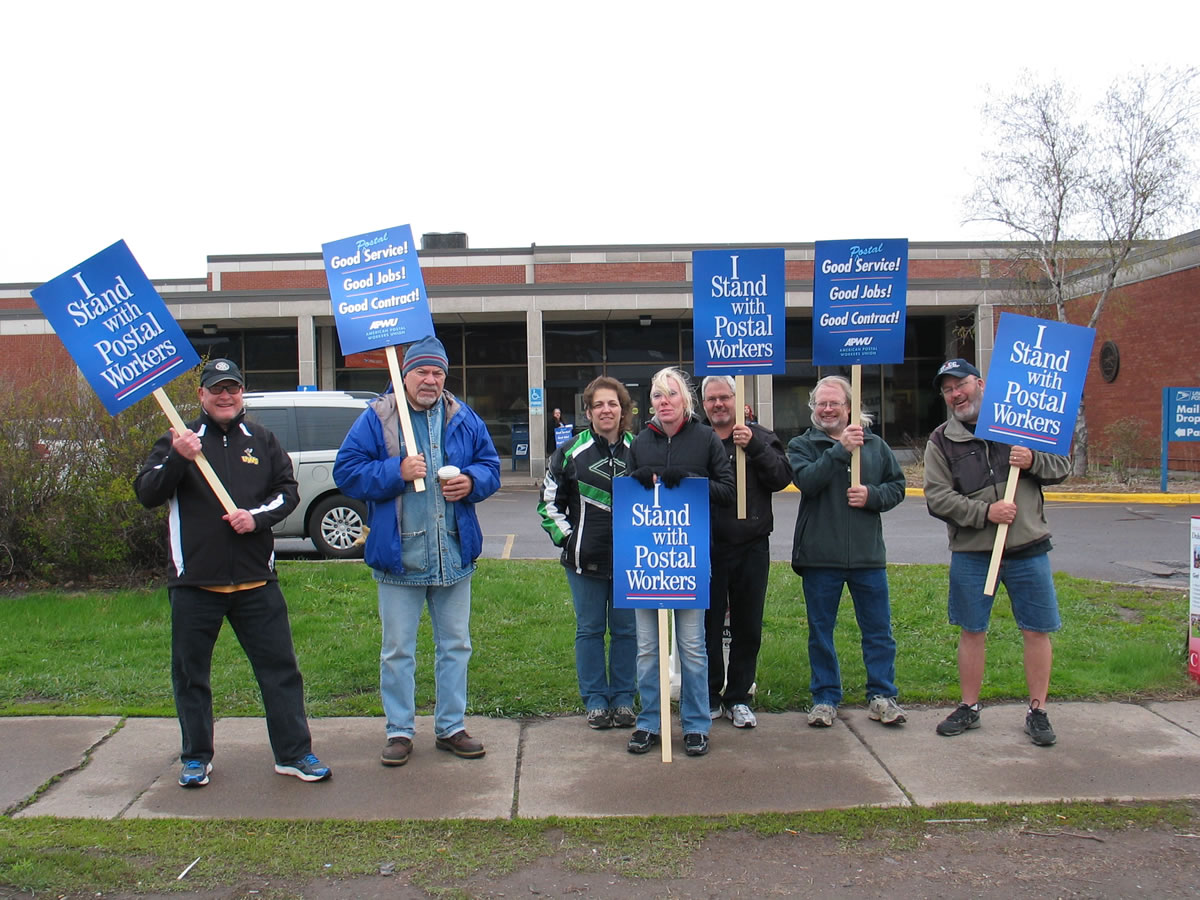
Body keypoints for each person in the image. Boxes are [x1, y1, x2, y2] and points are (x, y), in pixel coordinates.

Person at [134, 358, 331, 788]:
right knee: (191, 675)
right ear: (202, 395)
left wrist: (255, 518)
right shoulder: (178, 439)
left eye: (233, 388)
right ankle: (195, 757)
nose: (226, 396)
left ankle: (294, 754)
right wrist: (179, 460)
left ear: (243, 394)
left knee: (280, 671)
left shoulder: (261, 440)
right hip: (195, 584)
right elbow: (147, 493)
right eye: (216, 389)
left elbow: (288, 493)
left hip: (256, 582)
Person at [334, 334, 501, 766]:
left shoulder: (461, 416)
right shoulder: (378, 417)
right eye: (422, 372)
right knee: (397, 651)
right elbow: (347, 472)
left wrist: (473, 482)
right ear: (404, 375)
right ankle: (400, 731)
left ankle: (450, 727)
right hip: (399, 559)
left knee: (456, 646)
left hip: (452, 555)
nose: (430, 380)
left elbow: (490, 466)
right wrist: (397, 471)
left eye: (437, 372)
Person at [924, 358, 1071, 747]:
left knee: (1036, 631)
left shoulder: (1021, 425)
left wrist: (1033, 459)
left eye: (961, 385)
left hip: (1028, 548)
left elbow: (1062, 465)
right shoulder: (941, 441)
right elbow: (938, 498)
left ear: (980, 383)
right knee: (972, 630)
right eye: (948, 389)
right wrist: (984, 513)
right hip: (974, 554)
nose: (956, 394)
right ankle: (969, 707)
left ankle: (1038, 711)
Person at [625, 367, 735, 757]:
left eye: (671, 394)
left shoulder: (705, 438)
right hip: (646, 561)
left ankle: (695, 724)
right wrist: (636, 479)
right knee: (647, 649)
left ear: (685, 399)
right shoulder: (640, 442)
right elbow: (626, 497)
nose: (664, 401)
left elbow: (727, 489)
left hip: (687, 559)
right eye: (657, 395)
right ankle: (649, 722)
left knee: (691, 646)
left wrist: (687, 477)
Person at [788, 376, 907, 729]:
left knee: (878, 630)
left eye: (834, 403)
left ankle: (882, 695)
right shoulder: (802, 445)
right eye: (820, 404)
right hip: (819, 557)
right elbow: (806, 481)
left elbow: (897, 487)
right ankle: (825, 698)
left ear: (849, 407)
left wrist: (872, 496)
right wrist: (840, 450)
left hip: (867, 557)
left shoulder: (875, 445)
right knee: (821, 631)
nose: (826, 410)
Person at [537, 376, 637, 730]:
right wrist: (569, 540)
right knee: (590, 630)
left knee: (627, 631)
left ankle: (624, 699)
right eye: (598, 404)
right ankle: (595, 701)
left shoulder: (640, 449)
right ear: (588, 411)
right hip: (583, 561)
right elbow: (549, 504)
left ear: (623, 410)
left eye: (613, 404)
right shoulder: (568, 452)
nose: (606, 410)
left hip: (631, 563)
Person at [700, 376, 791, 728]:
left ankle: (738, 696)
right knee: (706, 627)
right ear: (704, 404)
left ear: (737, 400)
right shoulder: (697, 440)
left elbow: (782, 478)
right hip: (708, 548)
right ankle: (709, 694)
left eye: (724, 397)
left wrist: (753, 446)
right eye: (712, 399)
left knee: (747, 625)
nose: (718, 404)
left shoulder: (762, 436)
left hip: (752, 546)